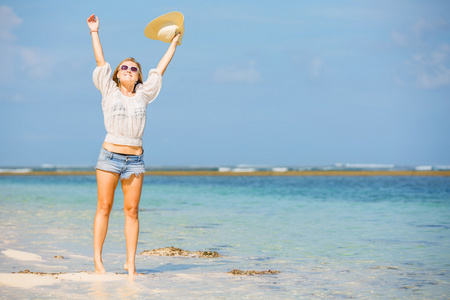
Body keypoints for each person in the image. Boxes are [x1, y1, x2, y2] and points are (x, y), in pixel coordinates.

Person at [87, 14, 180, 277]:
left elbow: (160, 69)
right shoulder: (109, 90)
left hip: (135, 161)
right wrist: (95, 32)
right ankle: (98, 261)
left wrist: (173, 43)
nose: (129, 70)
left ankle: (131, 264)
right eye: (124, 68)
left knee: (132, 211)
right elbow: (100, 61)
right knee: (104, 207)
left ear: (138, 76)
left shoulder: (143, 94)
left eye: (134, 69)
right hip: (109, 157)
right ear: (117, 74)